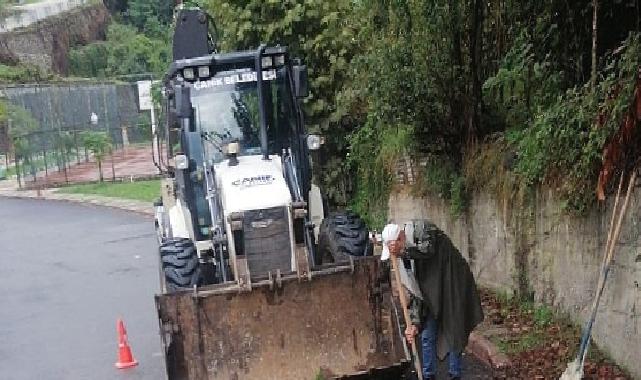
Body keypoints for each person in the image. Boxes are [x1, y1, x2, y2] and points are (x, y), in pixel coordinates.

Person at [381, 221, 484, 380]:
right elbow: (417, 292)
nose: (396, 255)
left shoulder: (421, 229)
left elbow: (428, 250)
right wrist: (414, 323)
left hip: (451, 285)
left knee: (454, 331)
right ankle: (428, 376)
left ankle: (454, 375)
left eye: (397, 249)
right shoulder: (403, 261)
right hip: (431, 295)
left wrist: (404, 250)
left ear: (401, 237)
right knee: (427, 334)